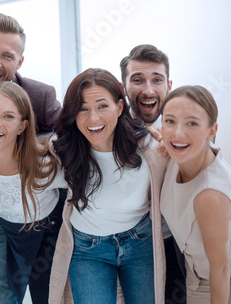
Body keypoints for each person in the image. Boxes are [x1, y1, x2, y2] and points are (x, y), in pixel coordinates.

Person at [49, 68, 167, 304]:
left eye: (102, 106)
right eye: (83, 109)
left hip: (140, 242)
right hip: (88, 249)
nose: (93, 119)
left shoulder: (150, 147)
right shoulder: (63, 150)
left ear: (120, 107)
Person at [0, 81, 66, 303]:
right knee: (5, 294)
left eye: (8, 116)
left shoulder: (45, 166)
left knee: (44, 296)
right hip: (5, 227)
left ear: (22, 126)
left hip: (46, 233)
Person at [121, 44, 187, 304]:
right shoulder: (106, 128)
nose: (148, 90)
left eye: (156, 80)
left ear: (169, 85)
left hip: (173, 243)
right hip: (123, 247)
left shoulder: (187, 130)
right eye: (137, 80)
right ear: (123, 85)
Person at [160, 85, 231, 303]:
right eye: (170, 121)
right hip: (195, 272)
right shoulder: (181, 154)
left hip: (214, 284)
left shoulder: (209, 195)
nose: (177, 132)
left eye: (192, 123)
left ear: (212, 131)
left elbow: (221, 270)